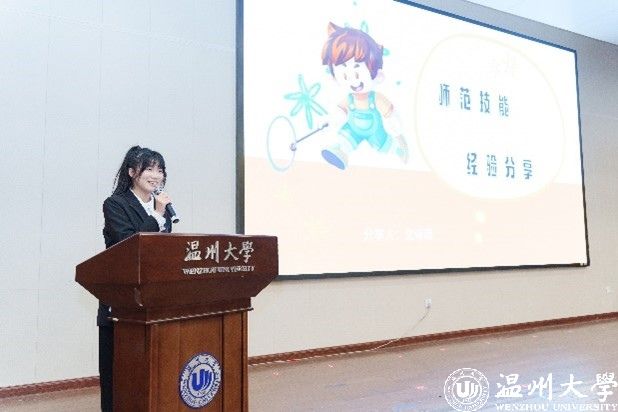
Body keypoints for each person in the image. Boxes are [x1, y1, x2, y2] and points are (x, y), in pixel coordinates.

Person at [98, 145, 173, 411]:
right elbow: (129, 244)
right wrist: (158, 215)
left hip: (153, 301)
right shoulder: (115, 204)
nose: (156, 175)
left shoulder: (162, 209)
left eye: (160, 170)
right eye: (149, 169)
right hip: (121, 302)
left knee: (151, 373)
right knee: (119, 376)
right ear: (132, 172)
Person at [321, 22, 408, 170]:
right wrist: (331, 122)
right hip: (353, 129)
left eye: (357, 73)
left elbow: (390, 114)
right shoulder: (349, 99)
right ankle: (340, 154)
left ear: (377, 75)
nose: (353, 81)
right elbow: (340, 111)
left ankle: (399, 152)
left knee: (384, 146)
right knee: (345, 139)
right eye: (345, 76)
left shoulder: (375, 98)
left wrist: (398, 132)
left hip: (375, 131)